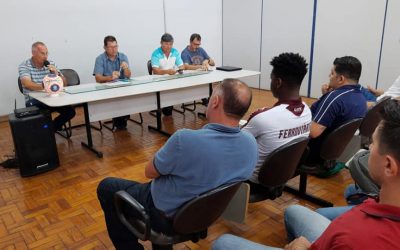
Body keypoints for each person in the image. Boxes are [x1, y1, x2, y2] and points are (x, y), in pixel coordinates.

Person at [213, 99, 400, 250]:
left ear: (389, 165)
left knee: (223, 243)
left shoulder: (354, 237)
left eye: (373, 143)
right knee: (294, 211)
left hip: (341, 238)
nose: (369, 147)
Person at [97, 78, 258, 250]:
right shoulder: (250, 143)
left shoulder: (185, 139)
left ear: (216, 101)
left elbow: (150, 172)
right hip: (205, 215)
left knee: (107, 187)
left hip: (164, 213)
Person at [242, 53, 311, 192]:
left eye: (271, 79)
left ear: (278, 82)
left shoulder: (264, 117)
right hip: (281, 175)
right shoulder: (307, 111)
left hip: (253, 182)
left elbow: (234, 142)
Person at [306, 56, 367, 174]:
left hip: (312, 154)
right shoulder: (360, 97)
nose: (329, 76)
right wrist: (325, 97)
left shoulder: (334, 98)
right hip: (334, 153)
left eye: (332, 73)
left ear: (340, 79)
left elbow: (313, 132)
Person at [18, 41, 76, 132]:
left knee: (70, 112)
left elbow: (64, 83)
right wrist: (47, 86)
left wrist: (57, 75)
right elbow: (27, 83)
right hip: (34, 100)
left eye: (46, 53)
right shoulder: (25, 66)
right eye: (42, 53)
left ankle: (50, 129)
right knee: (43, 115)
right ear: (33, 53)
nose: (45, 56)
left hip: (53, 98)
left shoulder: (50, 64)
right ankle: (47, 130)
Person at [93, 35, 132, 129]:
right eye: (111, 47)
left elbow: (128, 75)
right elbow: (98, 78)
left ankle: (122, 117)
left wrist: (126, 68)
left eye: (116, 47)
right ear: (105, 48)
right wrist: (110, 77)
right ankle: (120, 118)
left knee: (128, 100)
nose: (114, 50)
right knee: (121, 122)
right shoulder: (100, 59)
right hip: (107, 89)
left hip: (123, 88)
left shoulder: (123, 56)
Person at [151, 33, 185, 116]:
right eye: (166, 44)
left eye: (170, 44)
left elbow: (182, 65)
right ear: (161, 43)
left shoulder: (175, 52)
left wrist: (179, 69)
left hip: (172, 80)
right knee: (167, 111)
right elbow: (155, 70)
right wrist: (167, 72)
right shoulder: (156, 53)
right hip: (159, 82)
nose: (168, 46)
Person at [181, 33, 216, 106]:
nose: (197, 46)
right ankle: (207, 101)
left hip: (203, 77)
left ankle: (210, 103)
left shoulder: (201, 50)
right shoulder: (185, 52)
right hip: (191, 78)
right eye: (195, 44)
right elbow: (186, 67)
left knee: (211, 86)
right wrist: (200, 66)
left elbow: (213, 63)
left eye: (198, 44)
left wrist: (208, 61)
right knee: (206, 87)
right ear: (190, 42)